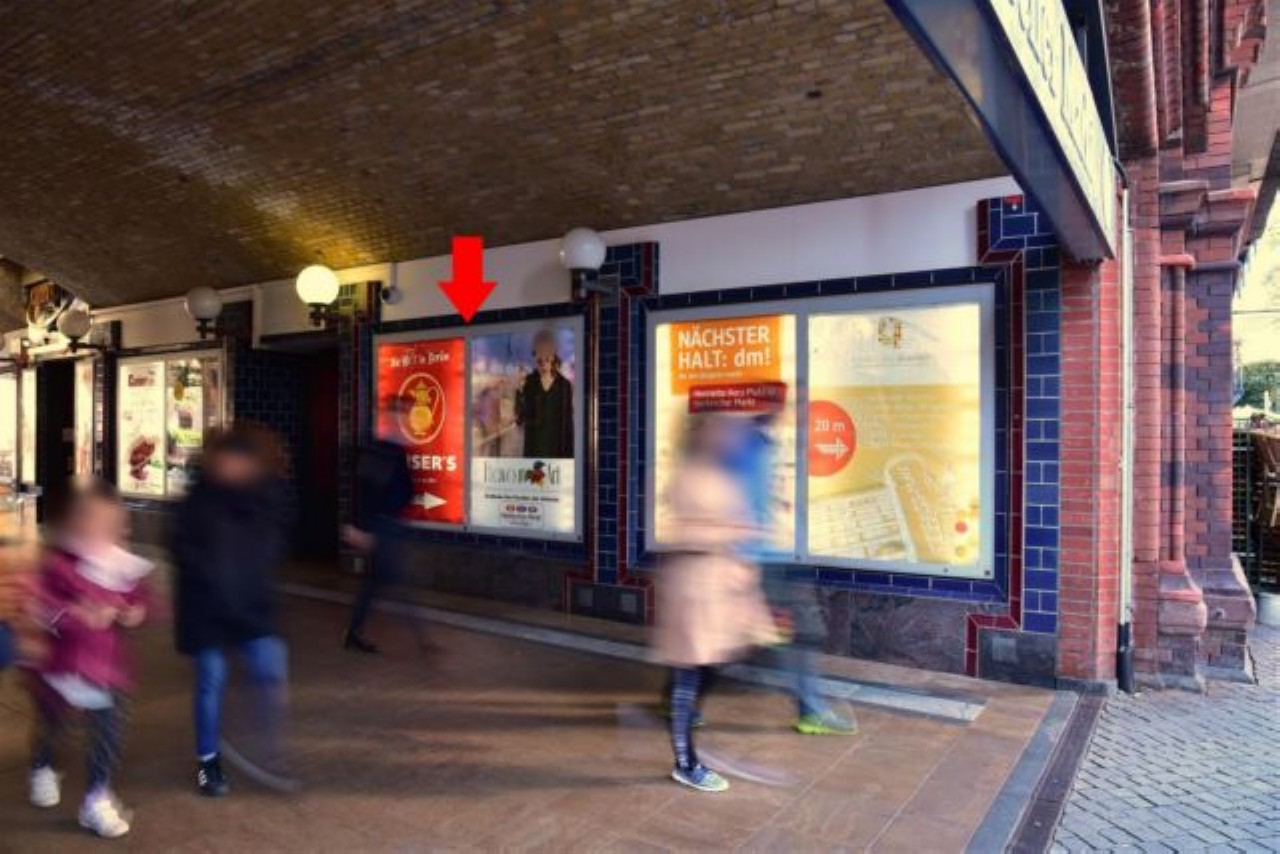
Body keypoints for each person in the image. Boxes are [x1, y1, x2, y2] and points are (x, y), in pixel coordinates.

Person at [653, 414, 778, 793]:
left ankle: (685, 728)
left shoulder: (724, 476)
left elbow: (741, 523)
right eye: (719, 431)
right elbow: (681, 532)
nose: (728, 438)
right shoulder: (686, 477)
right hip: (692, 592)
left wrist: (743, 556)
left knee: (707, 670)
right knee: (689, 675)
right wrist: (726, 534)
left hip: (718, 592)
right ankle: (686, 761)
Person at [25, 479, 153, 838]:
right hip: (62, 666)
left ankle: (97, 797)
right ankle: (43, 764)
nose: (107, 532)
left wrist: (135, 612)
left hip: (108, 668)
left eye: (113, 524)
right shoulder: (58, 564)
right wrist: (74, 614)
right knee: (55, 723)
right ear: (75, 523)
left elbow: (142, 598)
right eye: (96, 522)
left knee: (108, 733)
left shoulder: (120, 563)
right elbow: (40, 605)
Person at [171, 425, 294, 797]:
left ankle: (268, 750)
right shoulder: (197, 500)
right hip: (206, 609)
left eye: (240, 461)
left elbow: (272, 546)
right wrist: (212, 575)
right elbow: (181, 549)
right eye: (227, 460)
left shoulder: (266, 496)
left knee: (270, 670)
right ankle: (208, 763)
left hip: (250, 608)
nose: (233, 468)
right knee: (211, 679)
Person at [341, 397, 415, 654]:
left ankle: (354, 632)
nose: (406, 419)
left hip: (387, 524)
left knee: (375, 582)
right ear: (391, 416)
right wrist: (361, 528)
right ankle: (423, 641)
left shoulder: (394, 448)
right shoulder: (384, 449)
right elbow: (368, 492)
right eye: (402, 413)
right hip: (382, 526)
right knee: (395, 581)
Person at [516, 329, 574, 459]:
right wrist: (519, 391)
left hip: (556, 452)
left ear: (553, 356)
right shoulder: (529, 383)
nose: (543, 361)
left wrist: (568, 457)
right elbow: (520, 418)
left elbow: (568, 425)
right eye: (539, 357)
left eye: (546, 357)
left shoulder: (564, 386)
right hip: (534, 450)